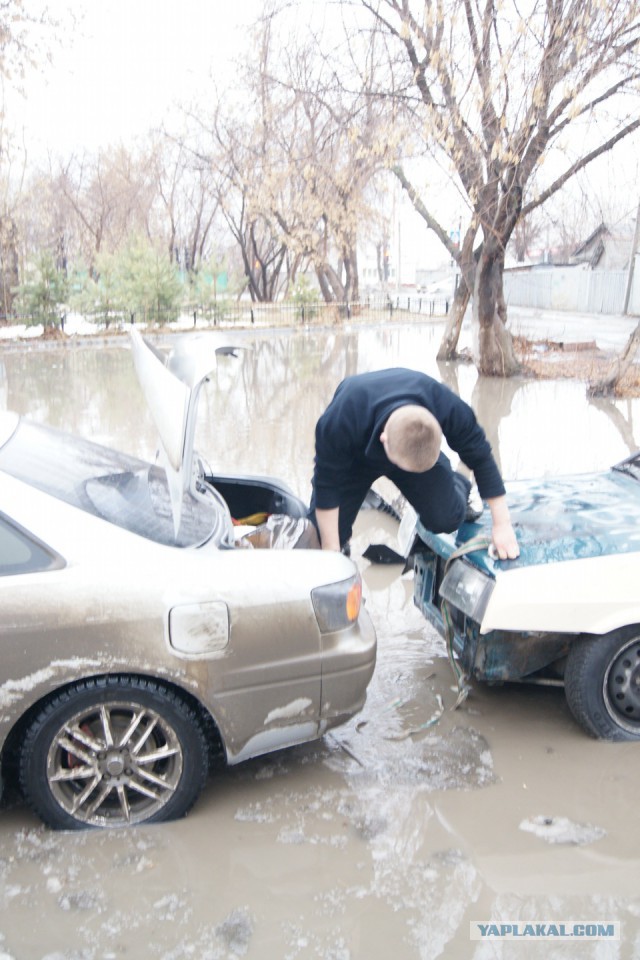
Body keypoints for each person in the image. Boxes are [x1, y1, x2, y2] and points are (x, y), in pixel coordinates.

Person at [309, 368, 519, 560]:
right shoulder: (339, 420)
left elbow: (480, 454)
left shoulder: (443, 403)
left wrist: (502, 525)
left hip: (413, 452)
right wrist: (331, 553)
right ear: (383, 440)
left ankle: (460, 483)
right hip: (354, 458)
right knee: (320, 538)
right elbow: (327, 486)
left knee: (446, 519)